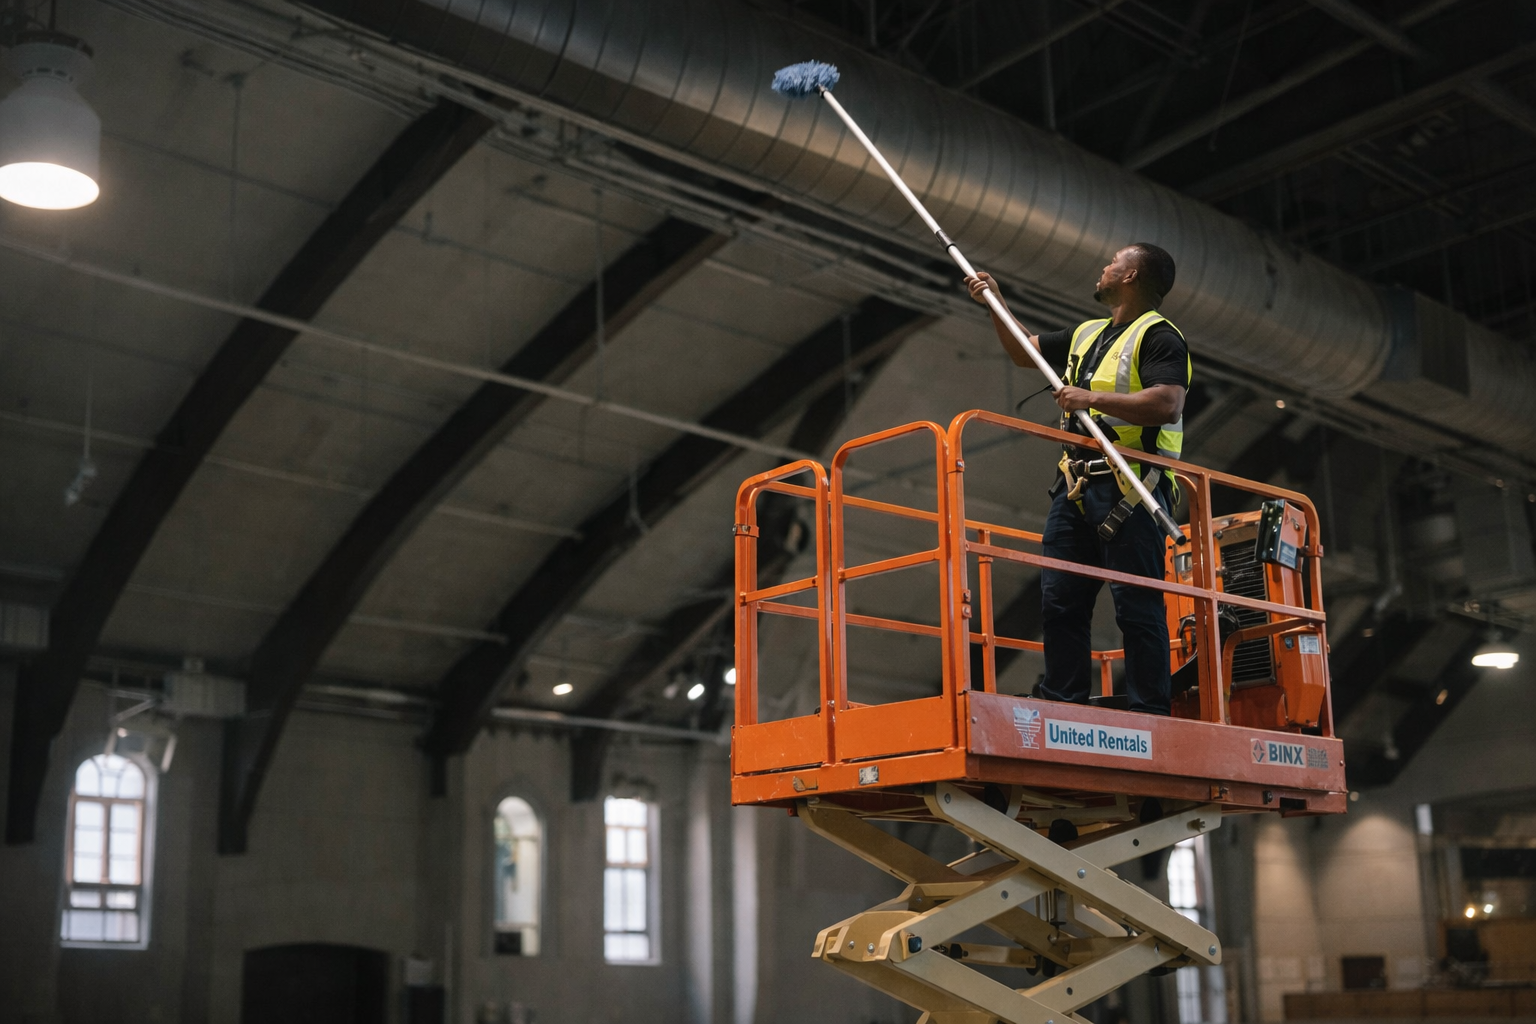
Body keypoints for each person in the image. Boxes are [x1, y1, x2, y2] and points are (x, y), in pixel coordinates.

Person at [965, 244, 1189, 715]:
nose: (1103, 267)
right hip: (1077, 486)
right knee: (1060, 601)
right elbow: (1028, 353)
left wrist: (1091, 399)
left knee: (1137, 606)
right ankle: (1062, 699)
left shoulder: (1160, 336)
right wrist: (996, 304)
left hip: (1132, 488)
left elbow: (1167, 402)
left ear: (1131, 276)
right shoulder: (1088, 333)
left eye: (1112, 262)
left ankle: (1150, 710)